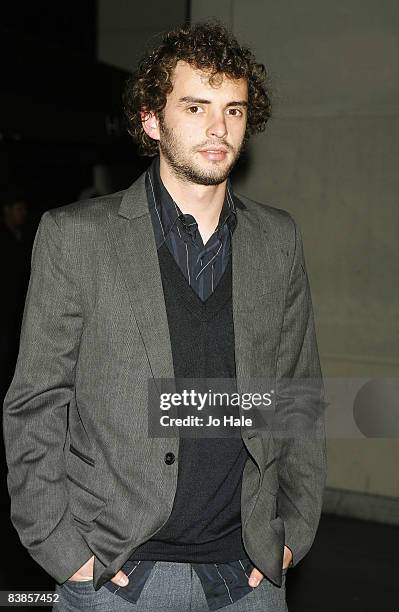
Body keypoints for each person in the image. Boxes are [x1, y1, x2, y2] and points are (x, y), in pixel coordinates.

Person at [2, 22, 327, 612]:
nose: (217, 128)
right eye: (196, 106)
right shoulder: (77, 238)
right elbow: (35, 403)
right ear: (152, 120)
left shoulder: (277, 241)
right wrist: (62, 548)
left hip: (247, 574)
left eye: (233, 109)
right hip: (118, 571)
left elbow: (297, 394)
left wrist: (292, 533)